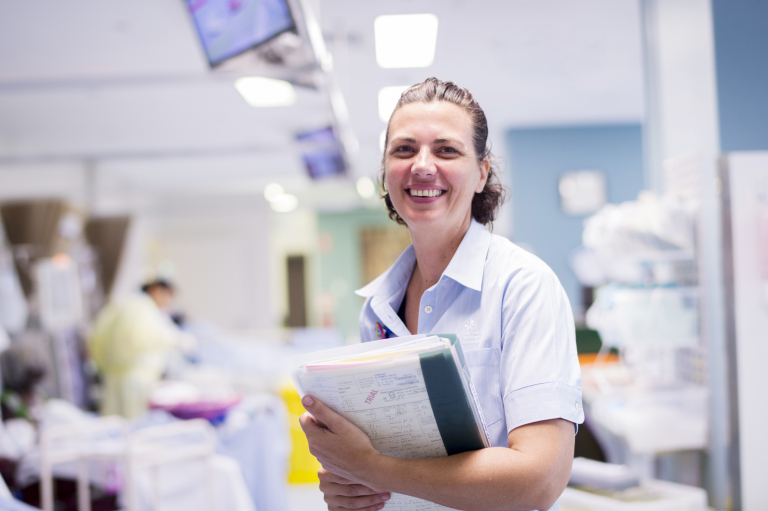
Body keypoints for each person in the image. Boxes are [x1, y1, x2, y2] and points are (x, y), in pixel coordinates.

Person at [299, 78, 583, 511]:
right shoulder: (379, 310)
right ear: (386, 169)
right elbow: (392, 463)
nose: (422, 165)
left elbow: (539, 480)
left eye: (446, 150)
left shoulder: (523, 286)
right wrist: (353, 488)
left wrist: (371, 468)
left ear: (481, 173)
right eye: (404, 149)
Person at [88, 278, 193, 419]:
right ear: (156, 290)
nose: (168, 303)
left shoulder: (122, 303)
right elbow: (143, 337)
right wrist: (177, 340)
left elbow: (97, 335)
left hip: (113, 378)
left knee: (113, 427)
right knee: (134, 425)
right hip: (135, 380)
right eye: (168, 296)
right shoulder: (143, 307)